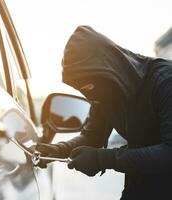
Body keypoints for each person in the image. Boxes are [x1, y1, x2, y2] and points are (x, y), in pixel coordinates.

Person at [35, 25, 172, 199]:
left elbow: (170, 152)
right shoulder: (103, 92)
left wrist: (105, 159)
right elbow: (92, 137)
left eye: (88, 86)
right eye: (80, 89)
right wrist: (59, 150)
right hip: (138, 187)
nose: (88, 95)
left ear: (109, 68)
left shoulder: (165, 81)